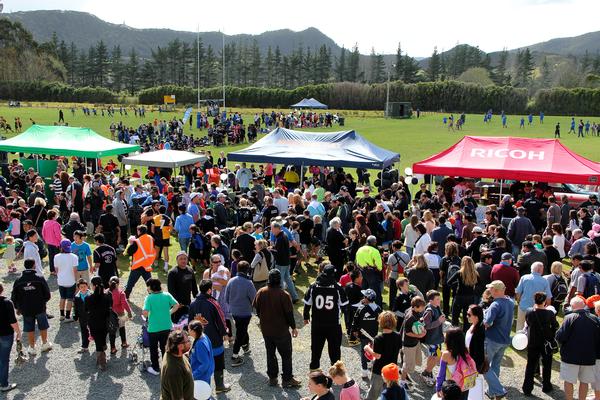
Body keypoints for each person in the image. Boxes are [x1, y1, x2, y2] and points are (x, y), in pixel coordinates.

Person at [253, 269, 302, 388]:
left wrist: (263, 320)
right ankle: (287, 379)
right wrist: (294, 327)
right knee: (286, 355)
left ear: (268, 279)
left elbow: (257, 310)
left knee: (270, 354)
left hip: (266, 330)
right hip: (281, 331)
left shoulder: (261, 292)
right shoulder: (284, 295)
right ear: (280, 280)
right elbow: (289, 314)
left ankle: (273, 378)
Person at [188, 280, 231, 393]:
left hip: (199, 340)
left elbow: (190, 322)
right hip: (214, 339)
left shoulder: (193, 304)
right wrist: (224, 333)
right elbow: (221, 319)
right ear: (209, 290)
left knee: (201, 364)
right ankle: (219, 386)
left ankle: (202, 390)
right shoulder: (213, 303)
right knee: (218, 364)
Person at [303, 264, 348, 371]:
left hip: (317, 323)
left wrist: (305, 316)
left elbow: (307, 303)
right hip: (333, 324)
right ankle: (336, 372)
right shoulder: (337, 287)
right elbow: (344, 305)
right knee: (335, 349)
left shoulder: (313, 285)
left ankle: (314, 371)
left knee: (316, 348)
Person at [556, 296, 600, 400]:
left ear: (572, 306)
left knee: (569, 381)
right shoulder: (594, 319)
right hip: (589, 357)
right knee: (584, 382)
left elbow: (560, 337)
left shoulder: (569, 318)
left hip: (570, 357)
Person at [11, 259, 52, 356]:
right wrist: (43, 302)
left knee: (29, 328)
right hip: (40, 307)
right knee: (43, 325)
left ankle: (32, 347)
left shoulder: (18, 280)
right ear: (34, 265)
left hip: (25, 309)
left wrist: (18, 308)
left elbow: (13, 297)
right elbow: (47, 294)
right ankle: (45, 343)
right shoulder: (40, 278)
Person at [482, 280, 514, 400]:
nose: (489, 291)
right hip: (504, 340)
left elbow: (487, 323)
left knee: (483, 365)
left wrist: (483, 315)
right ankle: (492, 392)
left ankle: (498, 390)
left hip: (492, 339)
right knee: (495, 365)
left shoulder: (495, 304)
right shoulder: (510, 302)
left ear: (495, 290)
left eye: (490, 289)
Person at [522, 292, 558, 396]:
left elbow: (527, 323)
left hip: (533, 342)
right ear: (545, 301)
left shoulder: (529, 312)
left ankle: (527, 388)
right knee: (547, 364)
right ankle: (546, 386)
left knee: (530, 365)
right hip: (546, 342)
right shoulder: (550, 314)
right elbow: (555, 326)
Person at [142, 278, 180, 376]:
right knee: (165, 347)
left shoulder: (149, 298)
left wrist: (148, 316)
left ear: (151, 287)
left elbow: (145, 312)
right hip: (166, 326)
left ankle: (155, 368)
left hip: (153, 328)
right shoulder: (167, 295)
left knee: (153, 348)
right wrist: (169, 312)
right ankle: (166, 366)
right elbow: (176, 305)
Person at [363, 311, 401, 400]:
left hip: (379, 370)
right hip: (392, 368)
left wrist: (367, 348)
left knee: (373, 392)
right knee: (390, 391)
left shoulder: (378, 338)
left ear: (380, 322)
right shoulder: (398, 336)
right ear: (394, 322)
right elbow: (398, 351)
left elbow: (377, 356)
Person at [225, 260, 257, 366]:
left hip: (234, 311)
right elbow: (254, 299)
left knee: (241, 328)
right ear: (247, 270)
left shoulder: (231, 280)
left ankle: (245, 346)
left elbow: (226, 297)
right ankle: (235, 355)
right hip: (245, 312)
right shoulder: (248, 283)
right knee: (240, 332)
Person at [436, 328, 477, 400]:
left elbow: (441, 374)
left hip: (450, 389)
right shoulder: (466, 350)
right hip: (464, 385)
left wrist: (438, 388)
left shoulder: (446, 354)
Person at [350, 288, 382, 378]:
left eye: (364, 296)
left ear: (367, 298)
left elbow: (355, 321)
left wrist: (354, 331)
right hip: (374, 334)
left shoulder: (361, 308)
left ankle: (364, 371)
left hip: (363, 334)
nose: (363, 298)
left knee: (363, 351)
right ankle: (370, 363)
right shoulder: (378, 309)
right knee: (372, 348)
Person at [515, 262, 552, 331]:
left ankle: (518, 340)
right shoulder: (544, 281)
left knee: (520, 327)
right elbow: (548, 298)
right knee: (533, 329)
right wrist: (547, 308)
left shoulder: (524, 277)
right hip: (537, 310)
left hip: (523, 306)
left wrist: (519, 301)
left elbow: (518, 292)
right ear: (539, 270)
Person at [85, 276, 112, 370]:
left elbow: (86, 310)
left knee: (98, 342)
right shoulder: (107, 296)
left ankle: (102, 362)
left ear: (94, 286)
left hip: (93, 323)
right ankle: (102, 354)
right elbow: (110, 307)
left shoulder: (89, 298)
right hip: (105, 322)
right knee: (103, 338)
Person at [400, 296, 427, 389]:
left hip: (415, 342)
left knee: (415, 361)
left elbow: (419, 322)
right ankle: (402, 381)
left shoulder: (415, 311)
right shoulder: (410, 317)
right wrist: (419, 335)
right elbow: (407, 332)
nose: (423, 309)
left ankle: (404, 375)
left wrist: (422, 326)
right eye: (422, 307)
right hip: (409, 344)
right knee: (407, 365)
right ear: (415, 307)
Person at [160, 329, 194, 400]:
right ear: (180, 346)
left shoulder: (172, 352)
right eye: (188, 341)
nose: (190, 342)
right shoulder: (174, 371)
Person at [124, 225, 156, 299]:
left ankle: (126, 297)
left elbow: (129, 252)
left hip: (137, 266)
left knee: (130, 283)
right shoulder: (150, 238)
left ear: (139, 231)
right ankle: (154, 297)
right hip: (147, 265)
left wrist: (130, 243)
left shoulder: (137, 241)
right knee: (150, 284)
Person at [0, 283, 21, 392]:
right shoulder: (7, 303)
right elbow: (13, 321)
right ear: (2, 290)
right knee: (4, 360)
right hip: (5, 334)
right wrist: (18, 332)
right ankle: (4, 384)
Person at [271, 221, 299, 302]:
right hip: (286, 261)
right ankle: (294, 297)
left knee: (280, 281)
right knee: (288, 279)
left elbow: (278, 252)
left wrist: (270, 250)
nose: (271, 231)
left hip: (281, 262)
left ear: (277, 229)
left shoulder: (280, 238)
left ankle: (281, 299)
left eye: (272, 229)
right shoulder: (284, 235)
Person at [167, 252, 198, 323]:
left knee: (187, 322)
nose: (183, 260)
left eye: (185, 259)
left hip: (187, 302)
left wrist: (197, 299)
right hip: (177, 305)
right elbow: (171, 290)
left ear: (187, 260)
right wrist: (176, 303)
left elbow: (194, 287)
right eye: (181, 259)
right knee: (176, 324)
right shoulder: (172, 273)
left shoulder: (190, 270)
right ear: (177, 260)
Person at [356, 235, 384, 307]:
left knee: (364, 290)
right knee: (376, 291)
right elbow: (379, 266)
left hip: (362, 272)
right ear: (374, 243)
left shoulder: (360, 249)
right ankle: (378, 307)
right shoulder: (375, 251)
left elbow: (357, 261)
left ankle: (363, 305)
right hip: (372, 273)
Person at [54, 239, 78, 322]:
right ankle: (68, 316)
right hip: (71, 280)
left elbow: (56, 270)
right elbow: (75, 270)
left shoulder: (56, 256)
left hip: (61, 280)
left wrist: (60, 276)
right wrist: (76, 279)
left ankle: (61, 315)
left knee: (62, 297)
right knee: (70, 299)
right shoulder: (74, 257)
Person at [108, 276, 132, 353]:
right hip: (120, 314)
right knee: (122, 328)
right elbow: (124, 303)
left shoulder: (106, 292)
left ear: (109, 283)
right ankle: (124, 343)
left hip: (110, 315)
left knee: (112, 332)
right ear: (118, 284)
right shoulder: (121, 293)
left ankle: (113, 348)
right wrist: (129, 312)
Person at [188, 319, 215, 385]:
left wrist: (193, 375)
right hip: (205, 373)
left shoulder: (200, 344)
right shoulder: (203, 335)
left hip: (201, 376)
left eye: (189, 329)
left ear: (194, 331)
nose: (188, 330)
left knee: (201, 394)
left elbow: (204, 364)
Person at [387, 240, 410, 306]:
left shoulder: (391, 256)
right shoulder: (406, 255)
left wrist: (387, 276)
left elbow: (389, 268)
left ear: (393, 247)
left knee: (392, 293)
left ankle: (392, 306)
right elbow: (407, 266)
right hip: (403, 276)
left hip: (394, 276)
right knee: (404, 292)